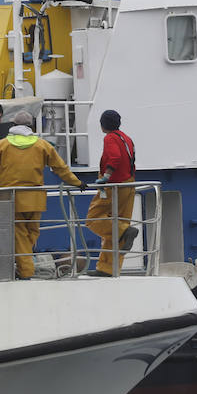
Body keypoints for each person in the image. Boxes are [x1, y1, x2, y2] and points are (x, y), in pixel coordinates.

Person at [0, 110, 82, 279]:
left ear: (13, 126)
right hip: (35, 199)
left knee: (19, 235)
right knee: (32, 233)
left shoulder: (1, 146)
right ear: (31, 126)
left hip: (12, 199)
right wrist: (78, 182)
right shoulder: (42, 145)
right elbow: (60, 168)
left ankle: (26, 271)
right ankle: (26, 264)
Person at [84, 109, 138, 277]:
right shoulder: (127, 138)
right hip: (129, 184)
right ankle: (108, 269)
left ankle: (124, 231)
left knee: (93, 219)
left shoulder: (110, 138)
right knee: (113, 224)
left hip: (115, 185)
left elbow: (114, 157)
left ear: (102, 124)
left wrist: (106, 176)